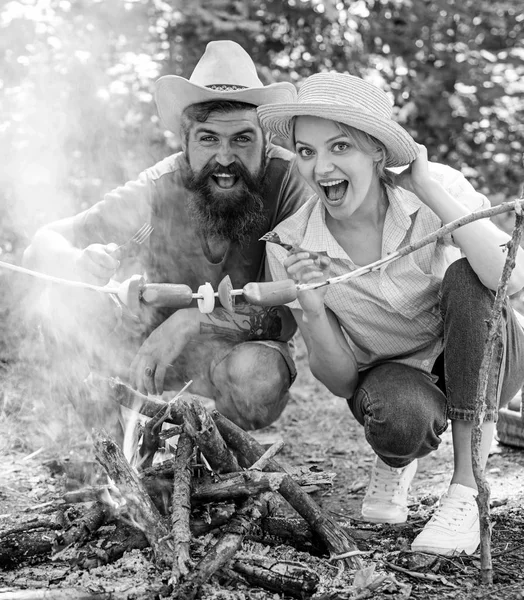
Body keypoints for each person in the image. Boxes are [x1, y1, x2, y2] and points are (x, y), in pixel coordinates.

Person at [257, 72, 524, 556]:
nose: (322, 167)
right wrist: (313, 307)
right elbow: (341, 383)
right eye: (307, 151)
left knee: (469, 276)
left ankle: (467, 489)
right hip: (398, 378)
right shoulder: (290, 244)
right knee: (400, 420)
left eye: (341, 147)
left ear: (378, 150)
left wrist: (426, 187)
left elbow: (511, 277)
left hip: (489, 353)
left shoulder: (433, 189)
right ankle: (399, 460)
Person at [23, 40, 311, 438]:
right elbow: (43, 241)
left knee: (256, 377)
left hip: (238, 355)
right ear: (185, 142)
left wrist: (193, 321)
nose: (225, 158)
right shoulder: (157, 187)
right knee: (60, 304)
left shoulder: (289, 182)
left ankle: (218, 447)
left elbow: (294, 310)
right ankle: (115, 441)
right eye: (209, 139)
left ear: (265, 140)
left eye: (242, 140)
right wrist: (78, 262)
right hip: (150, 357)